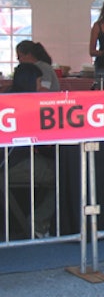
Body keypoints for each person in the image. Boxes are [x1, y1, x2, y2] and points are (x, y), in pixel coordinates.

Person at [0, 63, 55, 238]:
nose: (41, 87)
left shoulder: (7, 97)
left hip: (10, 162)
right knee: (67, 175)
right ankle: (38, 223)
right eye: (39, 82)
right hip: (12, 164)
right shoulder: (26, 104)